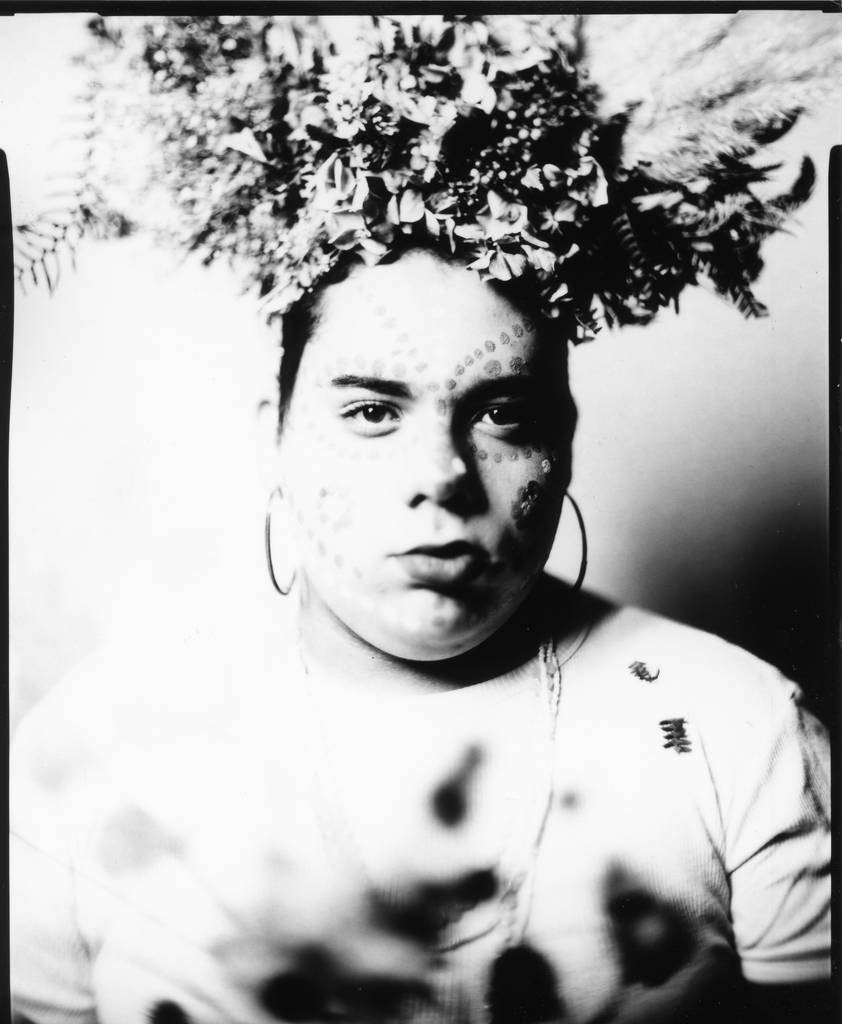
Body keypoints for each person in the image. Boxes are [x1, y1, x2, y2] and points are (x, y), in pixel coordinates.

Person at [10, 13, 834, 1024]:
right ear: (274, 436)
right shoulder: (96, 747)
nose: (442, 477)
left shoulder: (735, 726)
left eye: (502, 414)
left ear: (564, 440)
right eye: (370, 412)